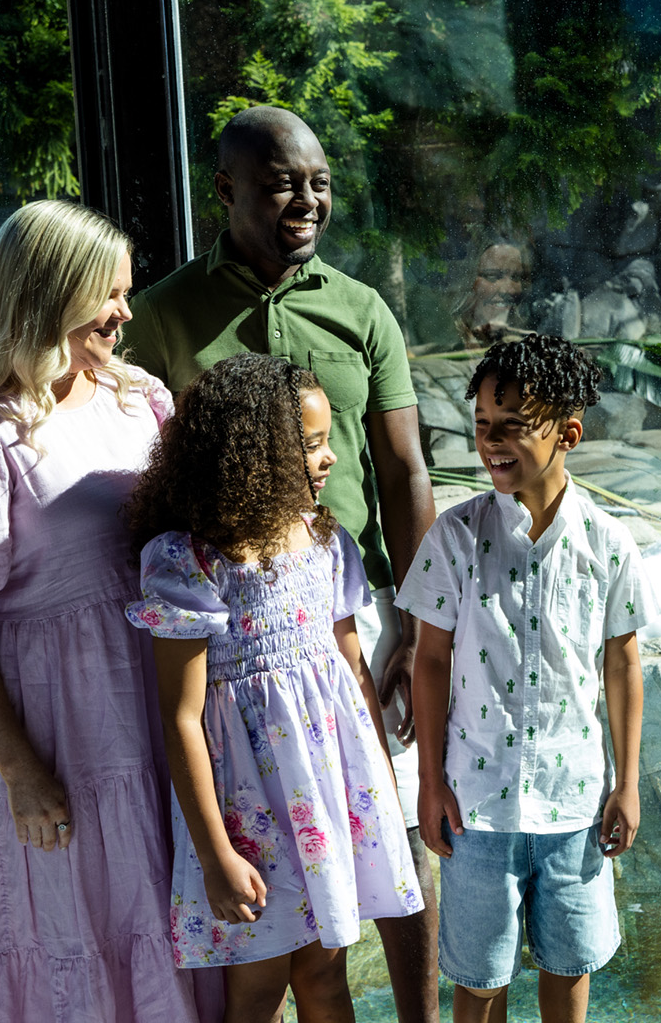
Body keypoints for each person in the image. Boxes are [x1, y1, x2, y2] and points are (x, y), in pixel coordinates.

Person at [124, 105, 441, 1021]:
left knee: (380, 833)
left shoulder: (362, 309)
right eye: (280, 184)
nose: (305, 201)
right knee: (275, 936)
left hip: (341, 594)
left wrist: (414, 622)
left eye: (319, 184)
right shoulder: (164, 315)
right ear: (224, 190)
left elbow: (404, 466)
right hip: (227, 624)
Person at [0, 200, 207, 1021]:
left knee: (171, 925)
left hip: (153, 712)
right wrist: (21, 771)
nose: (126, 313)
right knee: (75, 930)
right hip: (56, 735)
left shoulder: (140, 402)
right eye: (109, 295)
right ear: (52, 296)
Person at [124, 353, 426, 1022]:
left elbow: (352, 674)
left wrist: (381, 794)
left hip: (329, 799)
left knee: (326, 979)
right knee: (257, 992)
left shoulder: (327, 541)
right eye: (312, 445)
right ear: (251, 456)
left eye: (327, 441)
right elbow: (182, 718)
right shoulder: (187, 560)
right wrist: (214, 854)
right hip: (245, 813)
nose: (331, 460)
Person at [401, 334, 655, 1023]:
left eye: (513, 425)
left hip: (574, 801)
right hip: (475, 804)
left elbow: (623, 665)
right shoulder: (455, 538)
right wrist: (430, 782)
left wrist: (626, 784)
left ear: (569, 432)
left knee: (568, 966)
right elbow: (429, 661)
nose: (492, 441)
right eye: (484, 424)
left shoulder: (608, 544)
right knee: (480, 978)